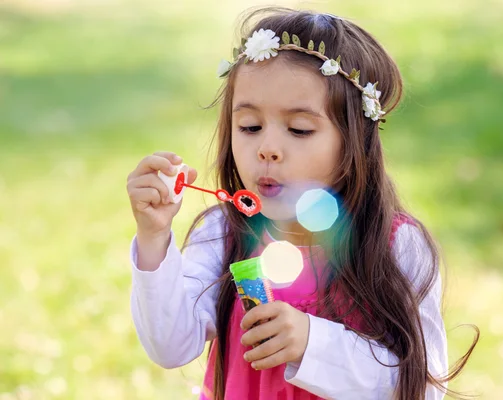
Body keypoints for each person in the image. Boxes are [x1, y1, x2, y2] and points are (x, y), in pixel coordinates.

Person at [126, 7, 477, 400]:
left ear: (354, 143)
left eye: (299, 129)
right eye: (250, 127)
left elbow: (422, 387)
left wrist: (313, 343)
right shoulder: (223, 233)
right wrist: (154, 237)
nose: (268, 149)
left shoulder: (395, 245)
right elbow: (171, 346)